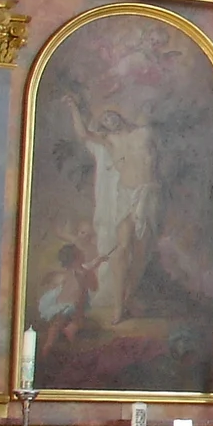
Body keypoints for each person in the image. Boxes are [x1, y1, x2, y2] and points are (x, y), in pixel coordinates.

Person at [66, 96, 158, 326]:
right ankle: (118, 306)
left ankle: (128, 297)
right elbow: (83, 134)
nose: (109, 120)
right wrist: (73, 108)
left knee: (141, 253)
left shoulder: (142, 132)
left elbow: (155, 150)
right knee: (121, 249)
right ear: (104, 127)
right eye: (105, 120)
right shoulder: (109, 141)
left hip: (148, 194)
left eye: (111, 116)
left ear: (119, 116)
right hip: (126, 195)